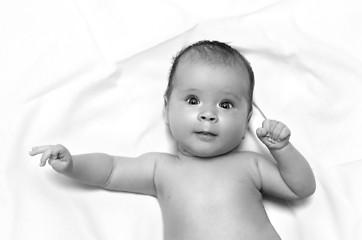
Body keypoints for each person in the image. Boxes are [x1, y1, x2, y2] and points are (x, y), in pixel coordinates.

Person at [29, 40, 316, 240]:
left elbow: (300, 187)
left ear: (246, 121)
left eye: (226, 105)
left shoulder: (250, 164)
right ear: (167, 109)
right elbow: (110, 170)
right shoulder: (161, 168)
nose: (208, 115)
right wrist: (72, 164)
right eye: (193, 100)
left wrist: (282, 149)